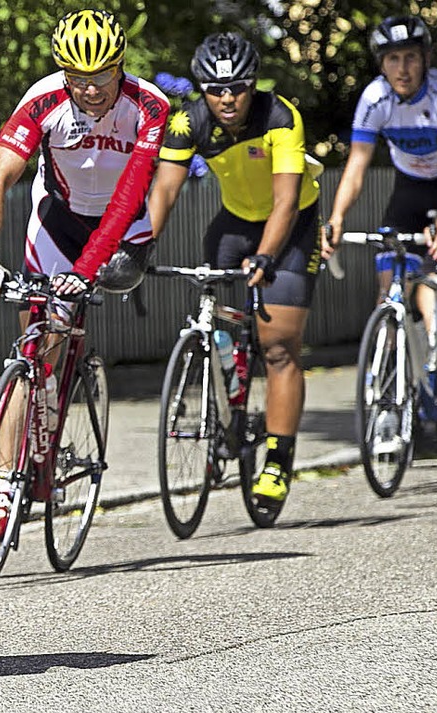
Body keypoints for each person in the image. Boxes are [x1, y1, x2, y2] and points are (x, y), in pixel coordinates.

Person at [0, 9, 170, 539]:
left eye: (101, 76)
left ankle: (72, 385)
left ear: (119, 66)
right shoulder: (43, 100)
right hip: (58, 223)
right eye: (77, 78)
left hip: (123, 230)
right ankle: (5, 480)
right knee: (35, 349)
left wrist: (86, 272)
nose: (91, 89)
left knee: (87, 299)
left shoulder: (149, 105)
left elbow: (128, 198)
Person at [148, 32, 322, 511]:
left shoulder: (280, 115)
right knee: (219, 326)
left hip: (292, 227)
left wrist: (266, 256)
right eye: (215, 89)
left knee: (279, 345)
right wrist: (138, 251)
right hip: (233, 226)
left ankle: (277, 461)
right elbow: (163, 192)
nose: (227, 99)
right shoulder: (187, 121)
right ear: (202, 88)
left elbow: (286, 201)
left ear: (252, 84)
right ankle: (231, 403)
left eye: (238, 88)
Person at [322, 16, 437, 384]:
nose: (403, 69)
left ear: (426, 58)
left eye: (410, 57)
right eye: (393, 60)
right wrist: (336, 218)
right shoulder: (374, 98)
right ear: (381, 64)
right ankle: (390, 392)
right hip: (410, 186)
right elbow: (356, 167)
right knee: (390, 285)